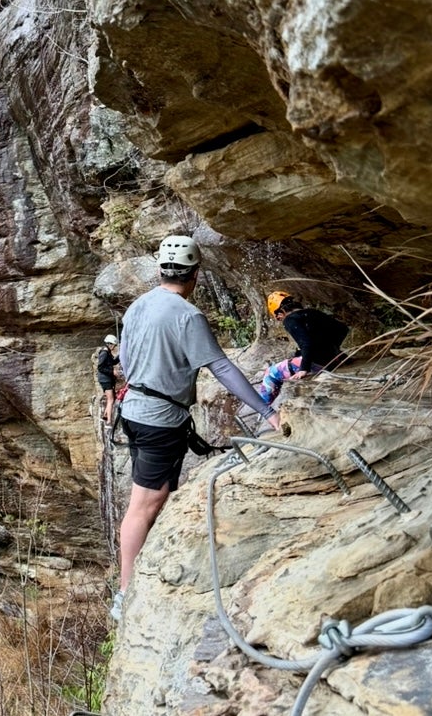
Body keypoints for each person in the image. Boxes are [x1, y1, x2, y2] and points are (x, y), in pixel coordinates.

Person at [110, 235, 279, 623]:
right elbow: (220, 367)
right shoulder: (187, 316)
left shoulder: (138, 306)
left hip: (135, 411)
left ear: (161, 270)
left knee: (157, 494)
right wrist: (266, 411)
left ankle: (139, 573)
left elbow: (128, 358)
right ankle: (125, 593)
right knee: (144, 504)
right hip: (158, 420)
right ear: (196, 274)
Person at [260, 292, 349, 403]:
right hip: (333, 359)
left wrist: (303, 369)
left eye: (278, 317)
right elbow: (343, 329)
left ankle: (264, 409)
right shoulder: (313, 312)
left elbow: (306, 343)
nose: (280, 319)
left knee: (270, 373)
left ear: (281, 311)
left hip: (317, 363)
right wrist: (333, 348)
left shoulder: (290, 320)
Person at [96, 333, 122, 424]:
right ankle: (109, 421)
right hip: (105, 379)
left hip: (106, 379)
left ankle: (106, 415)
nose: (114, 347)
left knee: (109, 398)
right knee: (111, 399)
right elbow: (100, 367)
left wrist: (121, 355)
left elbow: (113, 362)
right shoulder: (104, 353)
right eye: (113, 345)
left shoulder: (107, 352)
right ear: (109, 344)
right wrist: (112, 371)